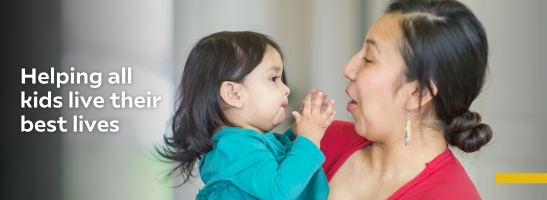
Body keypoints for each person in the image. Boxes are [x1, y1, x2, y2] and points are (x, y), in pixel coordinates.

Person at [297, 0, 492, 199]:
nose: (348, 70)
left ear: (418, 93)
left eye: (368, 59)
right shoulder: (316, 140)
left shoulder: (450, 195)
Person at [156, 31, 335, 200]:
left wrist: (296, 131)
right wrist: (309, 138)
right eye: (274, 79)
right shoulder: (234, 146)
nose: (286, 89)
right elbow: (280, 190)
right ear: (233, 94)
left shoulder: (242, 143)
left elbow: (272, 155)